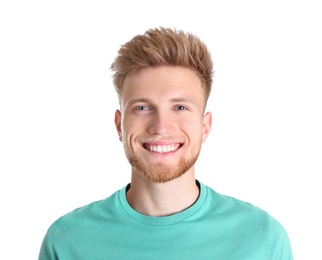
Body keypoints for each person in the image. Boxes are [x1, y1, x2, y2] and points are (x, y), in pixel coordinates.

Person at [38, 27, 293, 259]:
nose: (161, 127)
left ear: (204, 127)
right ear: (119, 124)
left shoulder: (262, 239)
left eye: (180, 107)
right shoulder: (67, 241)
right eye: (142, 107)